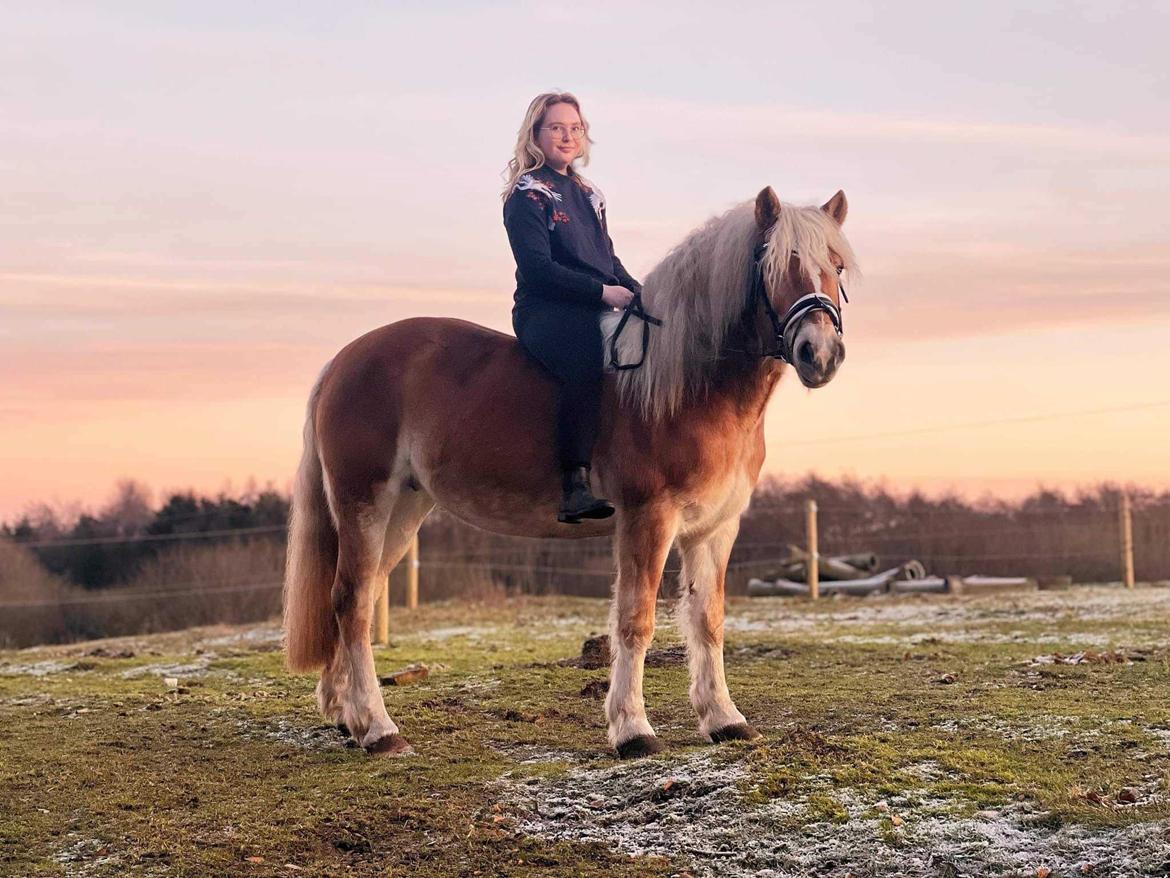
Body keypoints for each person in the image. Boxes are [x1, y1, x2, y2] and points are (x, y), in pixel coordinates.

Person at [501, 91, 643, 524]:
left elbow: (607, 260)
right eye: (557, 128)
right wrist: (602, 293)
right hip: (545, 310)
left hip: (596, 302)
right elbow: (539, 269)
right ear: (536, 134)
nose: (567, 136)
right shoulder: (527, 194)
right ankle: (574, 484)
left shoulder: (589, 193)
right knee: (585, 358)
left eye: (575, 128)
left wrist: (641, 293)